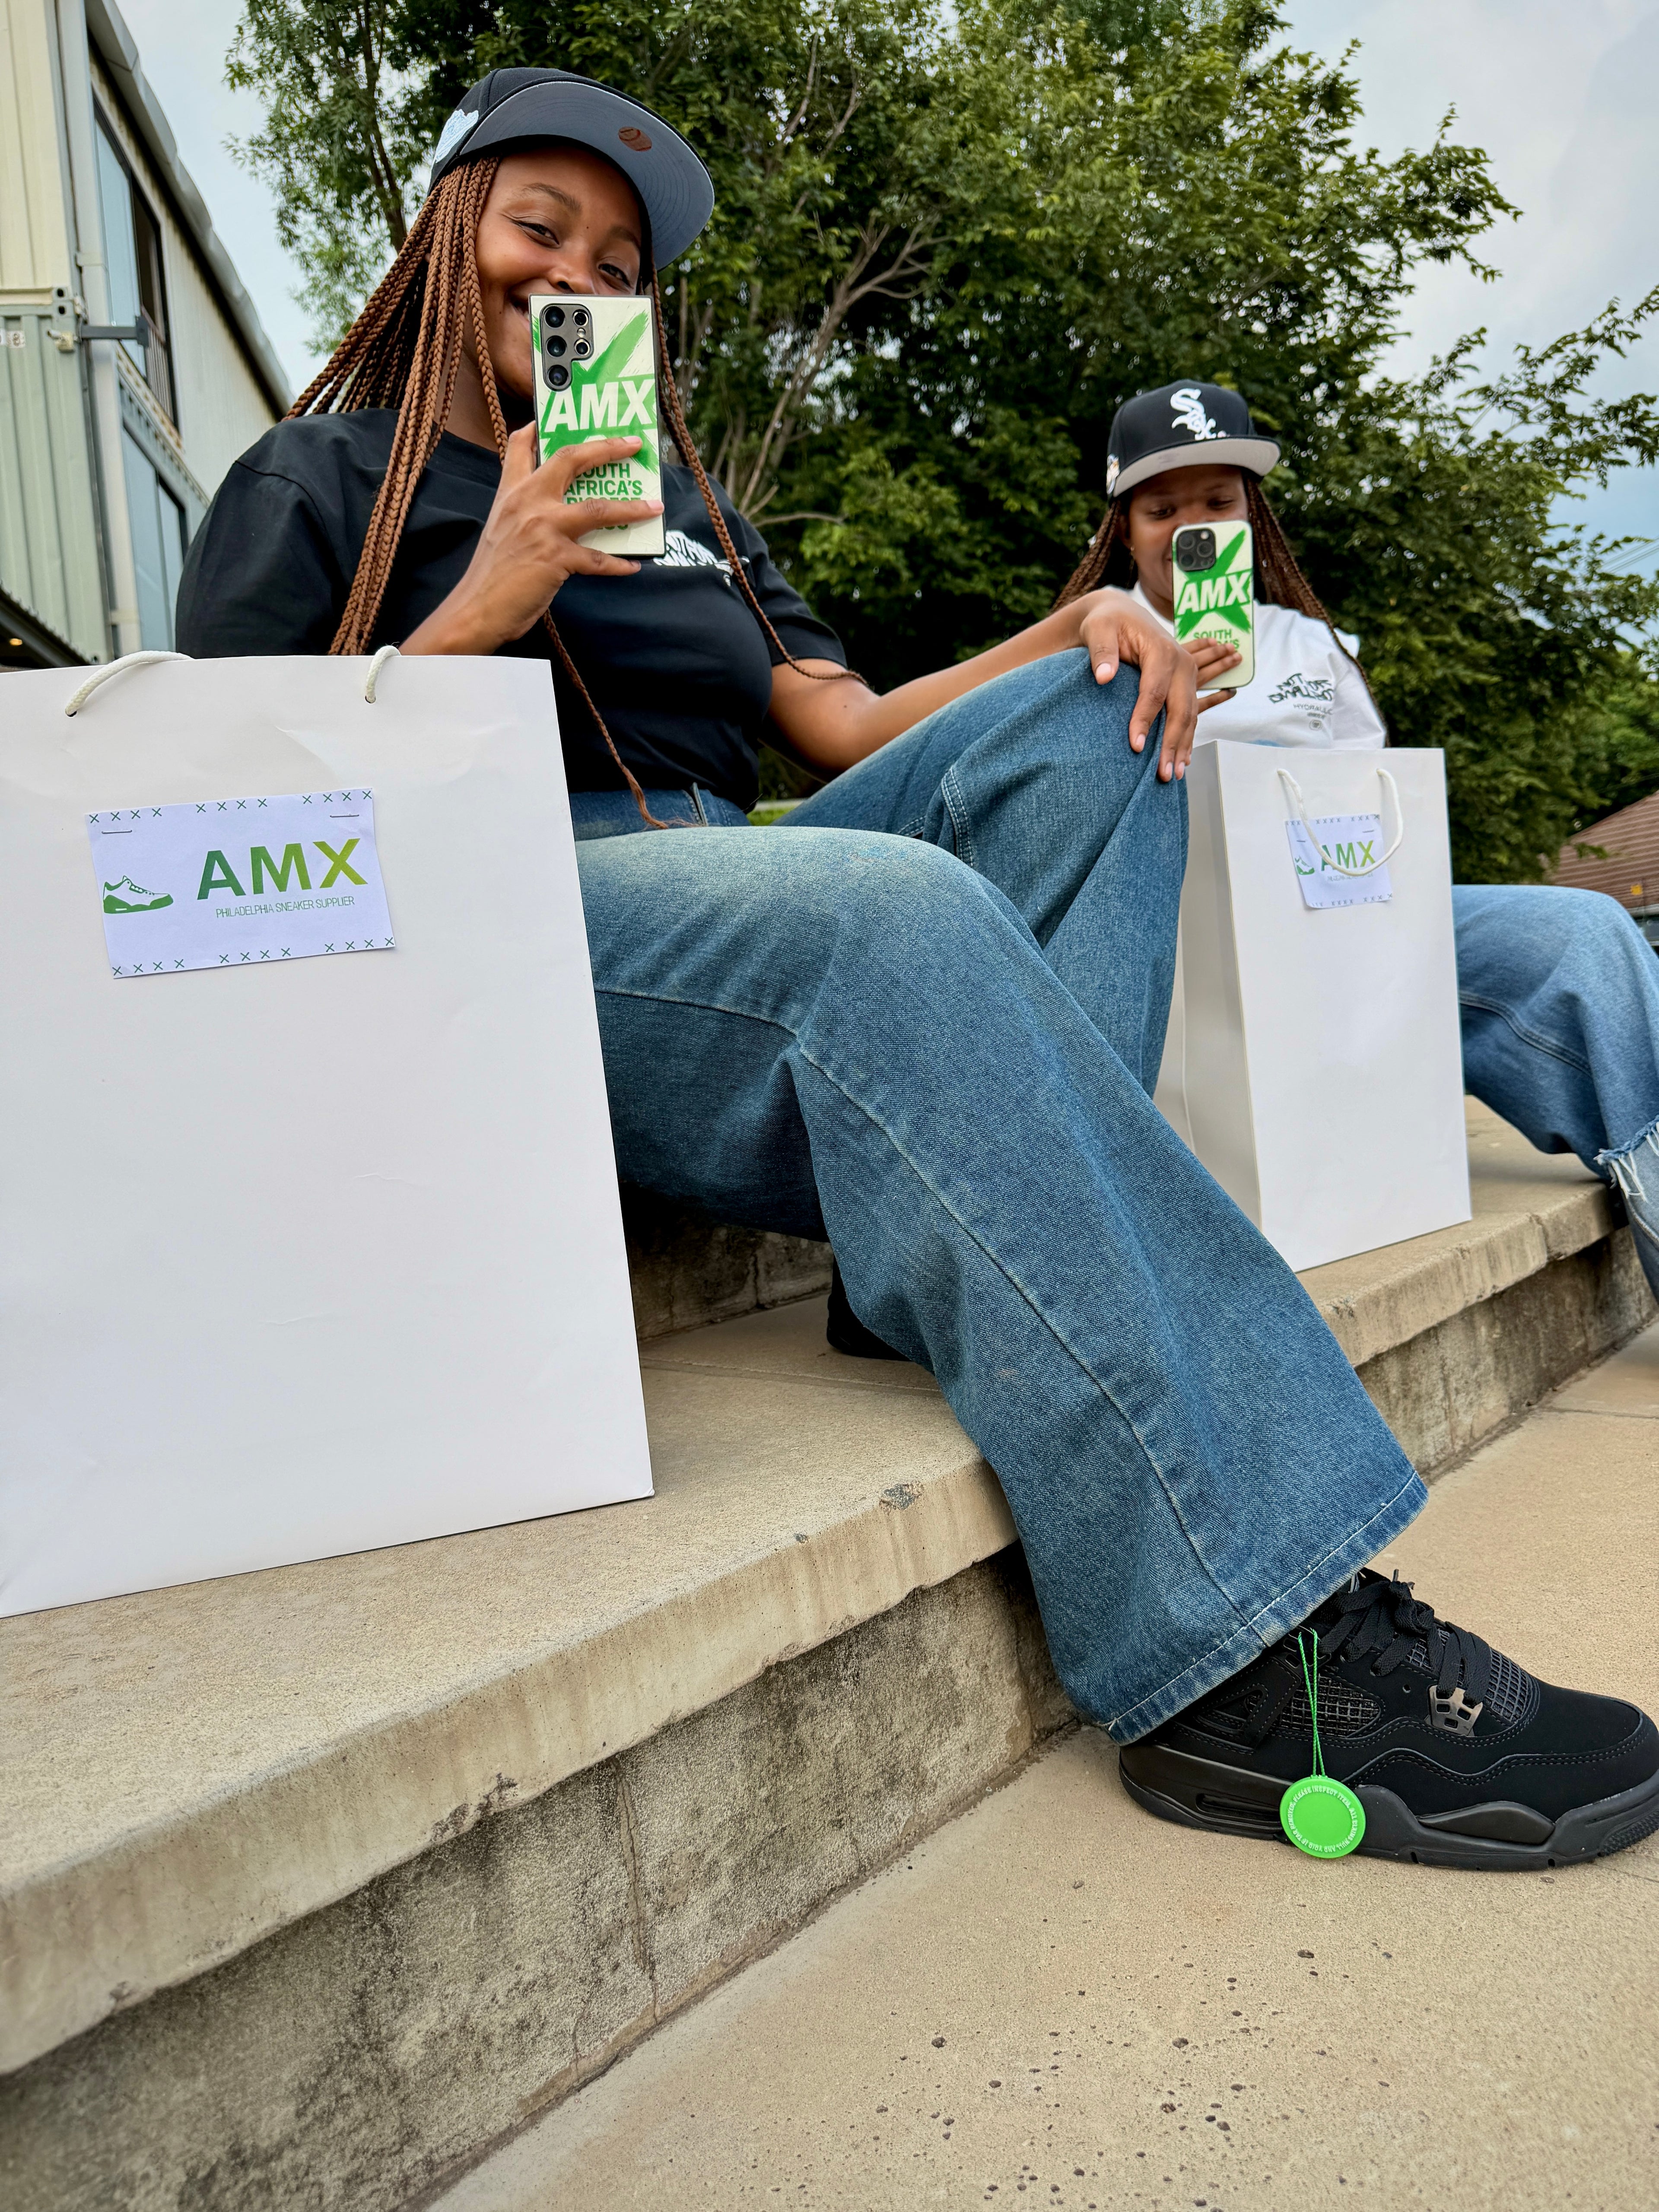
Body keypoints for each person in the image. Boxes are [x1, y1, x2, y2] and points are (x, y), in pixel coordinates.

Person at [178, 70, 1657, 1866]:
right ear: (444, 234)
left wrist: (1078, 627)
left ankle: (922, 1262)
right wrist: (489, 593)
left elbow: (847, 723)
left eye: (618, 256)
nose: (574, 267)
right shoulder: (316, 473)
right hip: (493, 893)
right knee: (886, 906)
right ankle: (1248, 1639)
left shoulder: (692, 513)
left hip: (740, 867)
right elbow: (234, 822)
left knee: (1112, 713)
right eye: (538, 224)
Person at [1057, 378, 1659, 1304]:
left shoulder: (1309, 648)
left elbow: (1381, 820)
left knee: (1586, 933)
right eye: (1162, 507)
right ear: (1122, 526)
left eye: (1219, 503)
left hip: (1344, 925)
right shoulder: (1084, 654)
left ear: (1251, 515)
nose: (1193, 527)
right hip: (1183, 955)